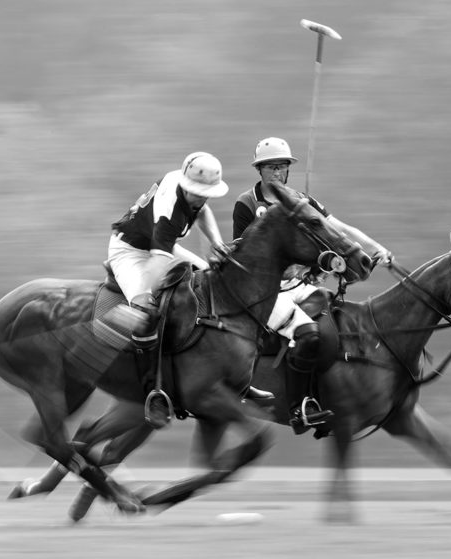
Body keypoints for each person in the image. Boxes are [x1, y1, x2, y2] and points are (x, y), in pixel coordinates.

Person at [233, 137, 391, 434]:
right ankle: (299, 408)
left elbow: (340, 229)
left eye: (282, 167)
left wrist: (375, 247)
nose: (277, 173)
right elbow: (244, 255)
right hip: (266, 292)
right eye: (270, 167)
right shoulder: (247, 203)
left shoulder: (302, 201)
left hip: (300, 286)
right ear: (260, 170)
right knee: (305, 334)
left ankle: (336, 396)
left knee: (337, 323)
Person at [108, 151, 230, 348]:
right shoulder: (169, 214)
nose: (200, 199)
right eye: (196, 193)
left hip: (161, 247)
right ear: (186, 185)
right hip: (129, 251)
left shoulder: (186, 182)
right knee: (145, 312)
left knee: (210, 278)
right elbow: (158, 261)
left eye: (205, 194)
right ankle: (143, 373)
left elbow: (202, 211)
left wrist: (216, 242)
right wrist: (141, 298)